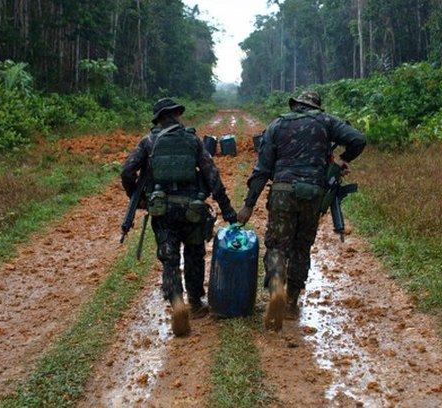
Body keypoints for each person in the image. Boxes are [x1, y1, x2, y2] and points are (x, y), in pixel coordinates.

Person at [236, 91, 366, 331]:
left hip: (282, 192)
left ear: (296, 106)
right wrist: (341, 160)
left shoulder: (277, 125)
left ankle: (276, 285)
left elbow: (262, 169)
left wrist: (248, 205)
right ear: (316, 107)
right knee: (301, 246)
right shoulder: (327, 122)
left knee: (277, 245)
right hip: (313, 194)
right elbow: (358, 139)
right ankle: (292, 302)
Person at [121, 98, 237, 337]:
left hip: (163, 211)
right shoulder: (193, 140)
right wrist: (227, 210)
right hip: (192, 210)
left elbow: (127, 171)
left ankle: (176, 302)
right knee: (194, 254)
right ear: (176, 115)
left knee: (169, 257)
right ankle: (195, 303)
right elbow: (212, 175)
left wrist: (138, 197)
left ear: (158, 119)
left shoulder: (148, 142)